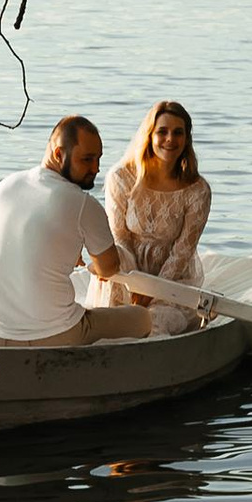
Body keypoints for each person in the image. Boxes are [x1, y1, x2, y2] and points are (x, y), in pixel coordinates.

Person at [0, 114, 131, 342]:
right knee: (141, 317)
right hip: (54, 335)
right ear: (59, 154)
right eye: (87, 159)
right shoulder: (83, 204)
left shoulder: (5, 186)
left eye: (98, 159)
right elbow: (108, 268)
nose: (96, 168)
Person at [105, 100, 213, 332]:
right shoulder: (121, 178)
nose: (170, 139)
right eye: (162, 131)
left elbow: (182, 251)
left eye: (178, 133)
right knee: (114, 320)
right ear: (149, 135)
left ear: (187, 139)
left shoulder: (197, 190)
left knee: (154, 325)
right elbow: (119, 237)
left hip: (173, 282)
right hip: (128, 274)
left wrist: (152, 290)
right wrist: (136, 285)